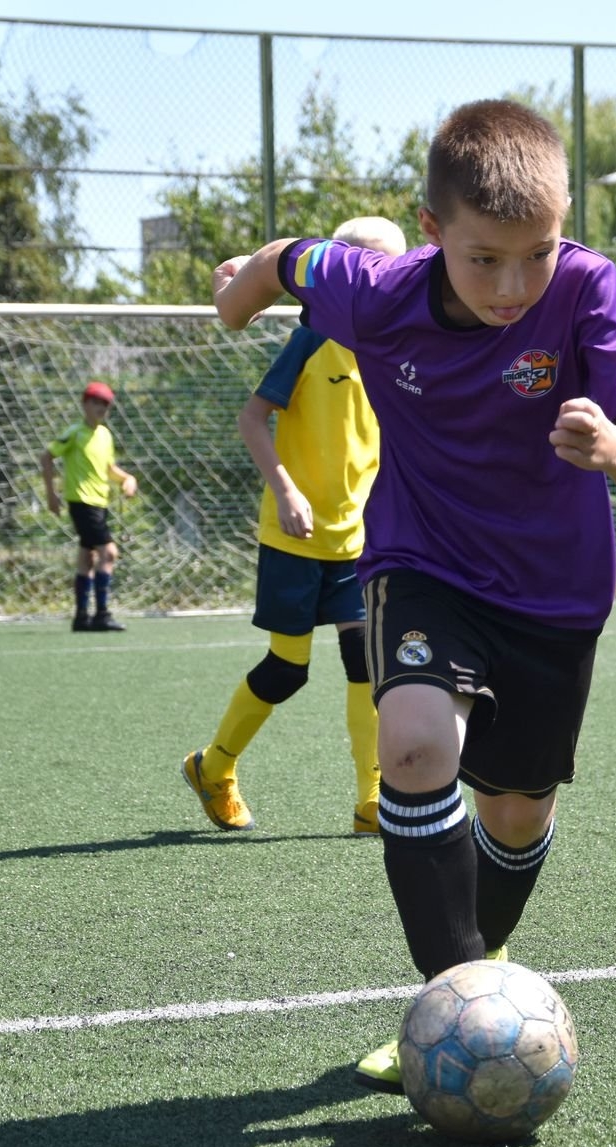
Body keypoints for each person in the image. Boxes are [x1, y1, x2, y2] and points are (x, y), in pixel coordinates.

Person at [210, 99, 616, 1092]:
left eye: (534, 254)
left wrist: (613, 447)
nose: (511, 286)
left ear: (564, 225)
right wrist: (236, 296)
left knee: (516, 814)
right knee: (416, 748)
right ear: (431, 232)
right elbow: (289, 259)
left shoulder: (589, 289)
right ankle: (454, 1004)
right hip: (425, 565)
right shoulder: (380, 291)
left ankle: (481, 959)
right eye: (482, 259)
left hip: (554, 594)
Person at [184, 216, 408, 837]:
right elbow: (251, 418)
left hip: (356, 539)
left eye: (394, 269)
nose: (386, 281)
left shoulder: (394, 350)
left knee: (366, 664)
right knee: (288, 668)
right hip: (296, 537)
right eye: (374, 268)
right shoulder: (312, 340)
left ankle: (372, 801)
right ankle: (213, 766)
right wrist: (286, 491)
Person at [40, 380, 137, 632]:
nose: (101, 408)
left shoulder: (105, 435)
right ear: (84, 404)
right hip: (82, 502)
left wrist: (127, 479)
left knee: (87, 557)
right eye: (95, 402)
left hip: (99, 503)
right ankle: (102, 614)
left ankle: (81, 617)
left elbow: (109, 469)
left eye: (105, 404)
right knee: (109, 553)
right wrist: (51, 494)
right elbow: (47, 456)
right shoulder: (75, 433)